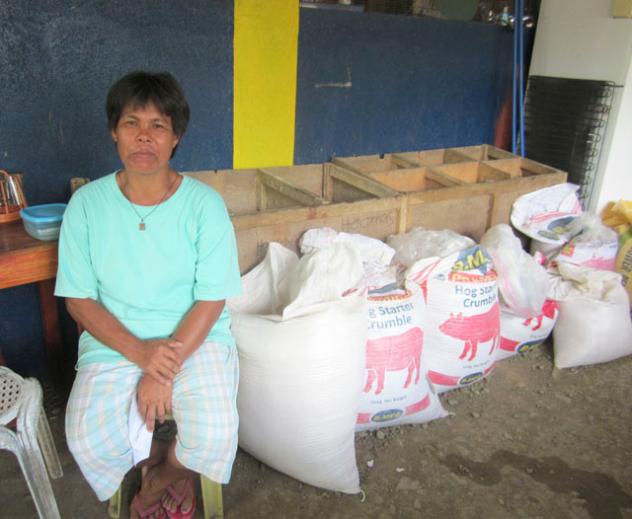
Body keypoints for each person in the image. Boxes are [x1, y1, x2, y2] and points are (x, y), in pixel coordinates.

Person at [55, 70, 241, 519]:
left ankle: (161, 477)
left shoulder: (204, 205)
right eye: (131, 123)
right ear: (113, 131)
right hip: (115, 341)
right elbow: (78, 299)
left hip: (195, 339)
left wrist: (161, 368)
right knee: (87, 437)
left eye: (158, 125)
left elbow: (212, 298)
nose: (144, 136)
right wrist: (141, 353)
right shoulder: (87, 205)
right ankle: (151, 460)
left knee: (215, 433)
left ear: (175, 137)